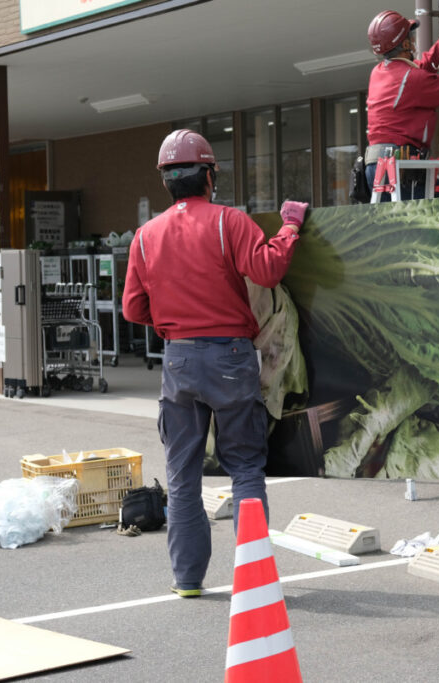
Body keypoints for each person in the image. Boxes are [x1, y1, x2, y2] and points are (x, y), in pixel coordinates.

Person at [122, 129, 308, 597]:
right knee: (245, 468)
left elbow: (132, 310)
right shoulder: (230, 222)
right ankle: (255, 579)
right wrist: (289, 227)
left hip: (179, 359)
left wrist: (169, 323)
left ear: (167, 182)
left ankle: (187, 580)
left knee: (182, 474)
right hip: (229, 357)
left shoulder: (145, 236)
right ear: (209, 176)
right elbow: (267, 270)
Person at [364, 7, 439, 200]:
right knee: (430, 220)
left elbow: (425, 65)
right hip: (401, 167)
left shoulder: (379, 72)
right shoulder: (411, 79)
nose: (414, 41)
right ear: (406, 43)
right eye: (411, 37)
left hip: (379, 165)